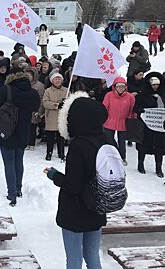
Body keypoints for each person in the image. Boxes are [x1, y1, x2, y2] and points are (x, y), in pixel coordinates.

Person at [44, 91, 108, 269]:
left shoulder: (79, 145)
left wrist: (54, 175)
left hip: (76, 211)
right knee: (92, 256)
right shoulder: (105, 139)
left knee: (74, 260)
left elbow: (73, 186)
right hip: (97, 207)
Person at [0, 68, 40, 206]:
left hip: (7, 131)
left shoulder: (6, 90)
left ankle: (11, 193)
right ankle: (18, 189)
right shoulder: (33, 93)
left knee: (9, 163)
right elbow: (36, 107)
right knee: (19, 161)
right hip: (24, 131)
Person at [134, 73, 165, 177]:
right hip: (146, 127)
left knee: (159, 147)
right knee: (143, 146)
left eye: (157, 85)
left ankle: (158, 168)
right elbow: (136, 107)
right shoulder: (142, 95)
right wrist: (141, 111)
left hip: (159, 127)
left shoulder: (164, 95)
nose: (155, 87)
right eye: (153, 85)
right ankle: (140, 164)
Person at [103, 77, 135, 166]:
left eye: (122, 86)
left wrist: (130, 118)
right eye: (119, 86)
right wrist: (105, 118)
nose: (121, 88)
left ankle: (122, 157)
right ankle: (111, 156)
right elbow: (104, 108)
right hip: (110, 121)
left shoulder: (130, 97)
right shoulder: (108, 95)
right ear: (115, 87)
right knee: (109, 140)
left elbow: (132, 109)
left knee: (122, 142)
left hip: (123, 122)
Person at [43, 73, 67, 161]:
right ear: (52, 81)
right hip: (51, 116)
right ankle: (49, 153)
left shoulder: (66, 90)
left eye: (59, 79)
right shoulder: (48, 91)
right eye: (55, 79)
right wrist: (56, 105)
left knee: (61, 137)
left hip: (62, 117)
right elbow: (45, 102)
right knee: (50, 137)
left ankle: (61, 153)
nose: (57, 81)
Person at [24, 66, 45, 150]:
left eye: (30, 74)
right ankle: (25, 142)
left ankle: (31, 143)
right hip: (24, 108)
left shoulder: (39, 85)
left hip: (34, 109)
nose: (28, 76)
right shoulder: (23, 84)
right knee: (25, 127)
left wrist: (39, 111)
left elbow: (41, 99)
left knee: (32, 127)